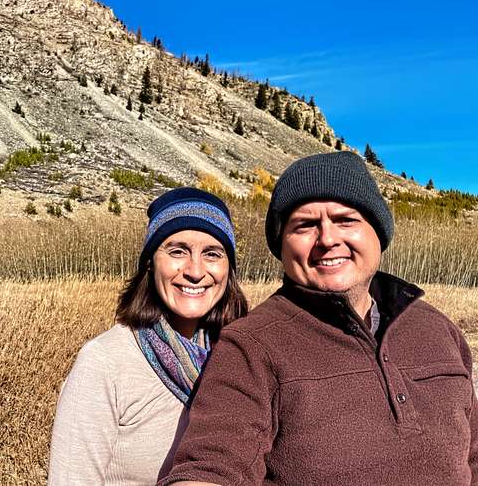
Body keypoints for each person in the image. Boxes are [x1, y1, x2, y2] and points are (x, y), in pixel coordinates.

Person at [162, 151, 478, 485]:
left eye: (346, 220)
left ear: (377, 233)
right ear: (281, 246)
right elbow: (212, 467)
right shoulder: (251, 345)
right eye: (306, 225)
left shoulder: (438, 328)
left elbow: (472, 453)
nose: (327, 239)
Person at [48, 187, 249, 485]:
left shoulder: (238, 358)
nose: (195, 271)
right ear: (151, 263)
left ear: (227, 269)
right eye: (178, 251)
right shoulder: (105, 362)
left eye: (212, 254)